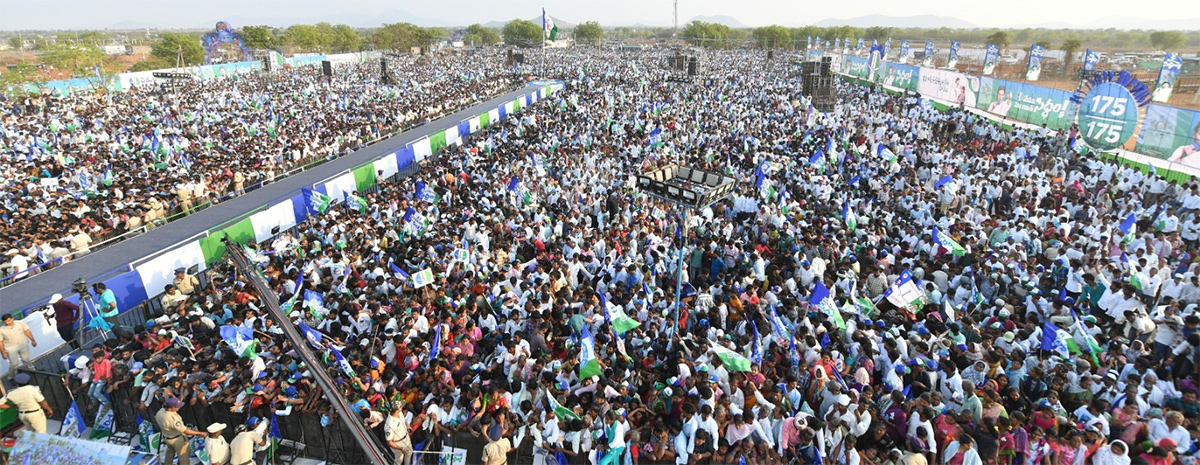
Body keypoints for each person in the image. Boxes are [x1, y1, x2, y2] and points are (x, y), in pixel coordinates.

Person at [156, 397, 206, 465]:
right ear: (172, 407)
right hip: (177, 439)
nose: (179, 408)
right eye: (177, 406)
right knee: (183, 456)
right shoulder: (173, 419)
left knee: (169, 453)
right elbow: (185, 431)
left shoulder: (160, 412)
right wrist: (201, 433)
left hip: (166, 437)